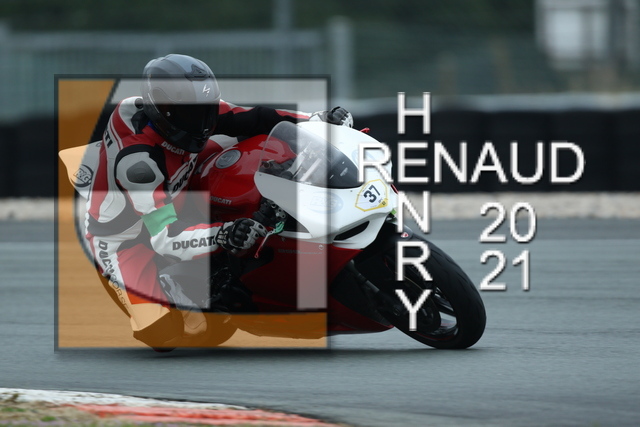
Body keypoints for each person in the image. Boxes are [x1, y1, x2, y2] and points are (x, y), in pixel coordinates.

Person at [85, 53, 352, 349]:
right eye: (193, 115)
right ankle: (178, 283)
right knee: (165, 336)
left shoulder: (172, 112)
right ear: (164, 113)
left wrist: (317, 120)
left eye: (208, 111)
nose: (203, 124)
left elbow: (254, 117)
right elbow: (164, 238)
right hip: (129, 237)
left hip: (179, 183)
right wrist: (225, 234)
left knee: (245, 138)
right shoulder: (139, 167)